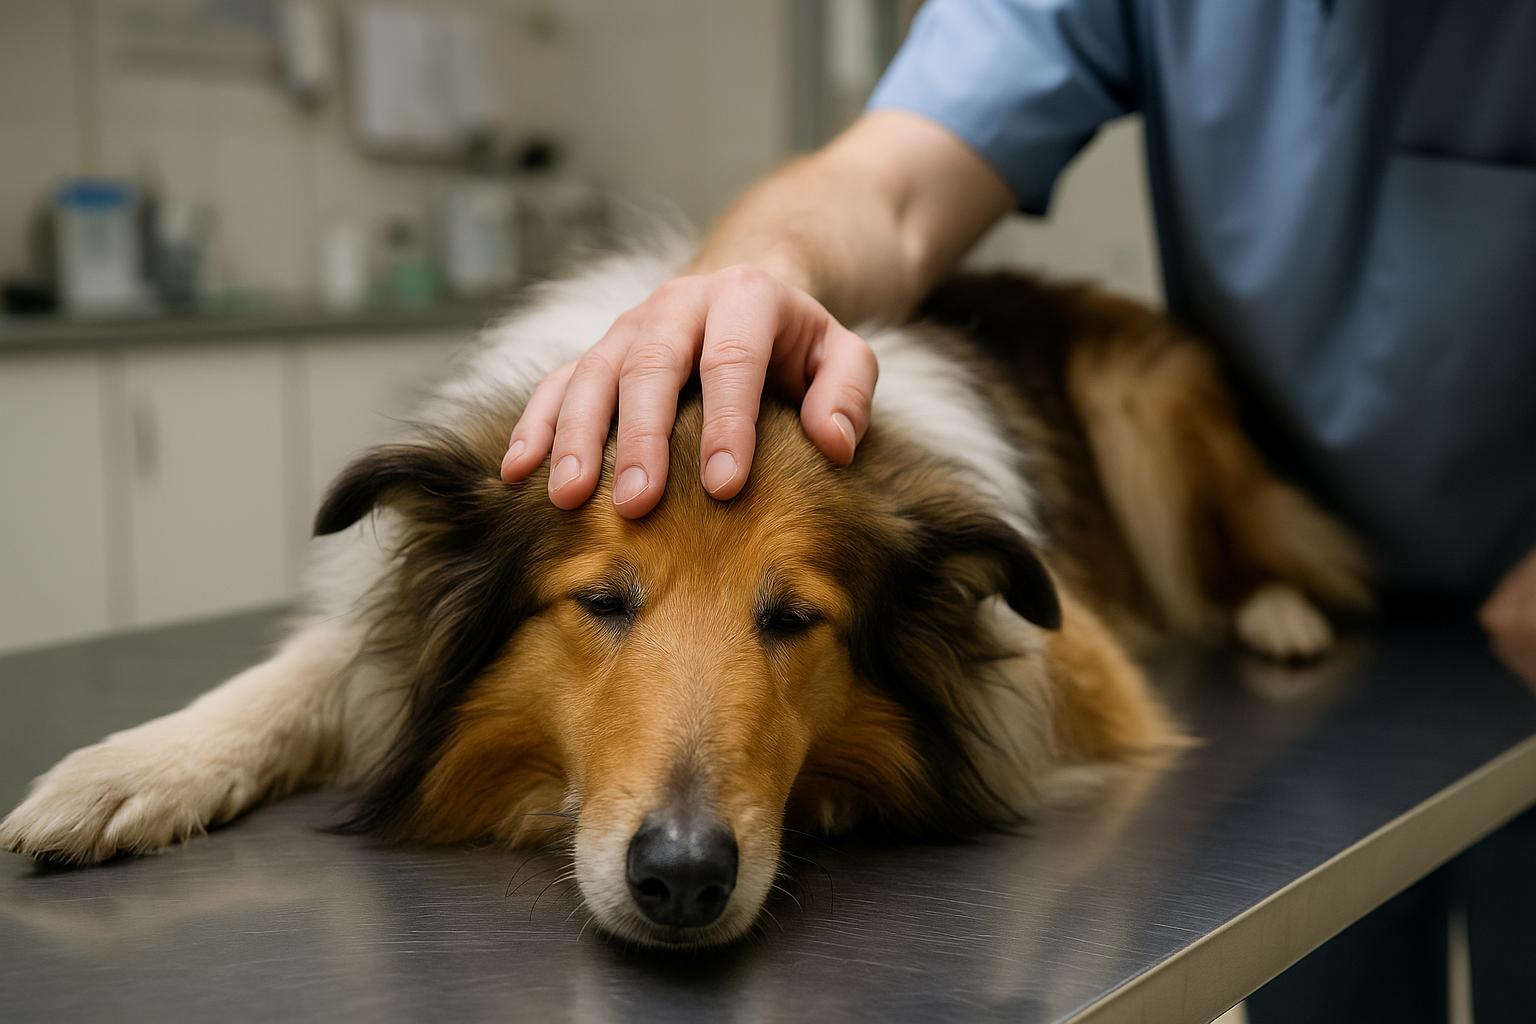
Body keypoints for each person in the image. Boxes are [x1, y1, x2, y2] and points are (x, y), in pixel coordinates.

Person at [500, 1, 1536, 1019]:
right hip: (1331, 691)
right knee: (1325, 963)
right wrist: (760, 274)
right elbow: (893, 184)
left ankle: (1258, 563)